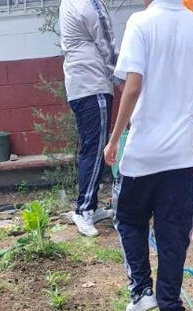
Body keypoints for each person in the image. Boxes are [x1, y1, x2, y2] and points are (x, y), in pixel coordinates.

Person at [105, 0, 193, 311]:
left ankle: (142, 292)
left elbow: (132, 87)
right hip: (179, 156)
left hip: (142, 154)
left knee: (129, 219)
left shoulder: (140, 23)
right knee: (173, 234)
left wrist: (114, 140)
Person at [59, 0, 118, 238]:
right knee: (95, 149)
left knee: (91, 148)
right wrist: (121, 75)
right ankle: (83, 209)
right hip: (93, 84)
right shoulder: (89, 3)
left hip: (80, 83)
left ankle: (90, 207)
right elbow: (107, 41)